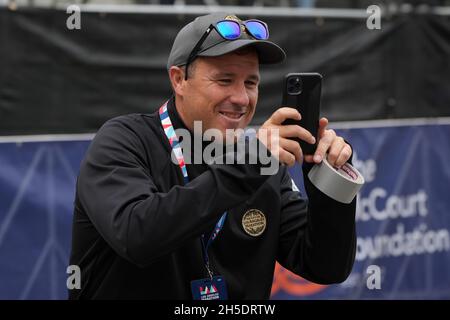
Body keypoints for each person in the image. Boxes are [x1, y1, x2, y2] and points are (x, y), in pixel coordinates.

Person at [69, 13, 356, 300]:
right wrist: (251, 163)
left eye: (251, 83)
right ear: (179, 79)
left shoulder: (260, 162)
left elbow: (325, 267)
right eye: (225, 80)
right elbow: (137, 235)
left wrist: (329, 182)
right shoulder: (124, 140)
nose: (242, 98)